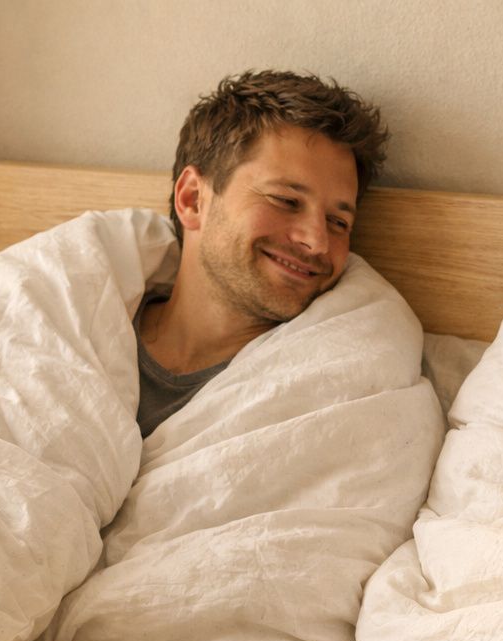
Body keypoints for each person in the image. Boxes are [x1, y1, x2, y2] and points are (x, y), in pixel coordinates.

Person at [132, 69, 389, 437]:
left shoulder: (327, 396)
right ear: (192, 199)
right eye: (285, 200)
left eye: (337, 222)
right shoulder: (76, 333)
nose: (317, 241)